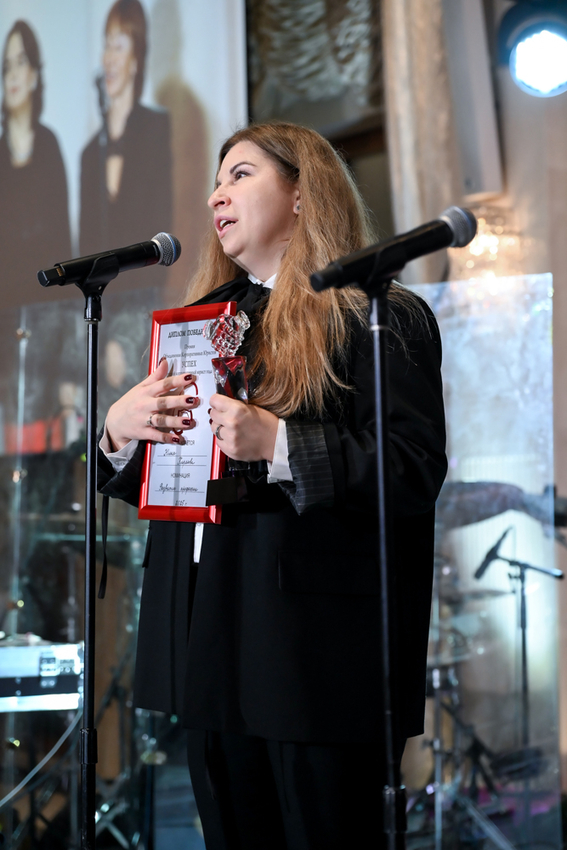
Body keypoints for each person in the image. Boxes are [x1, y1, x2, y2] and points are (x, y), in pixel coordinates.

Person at [98, 122, 447, 848]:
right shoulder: (202, 323)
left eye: (240, 175)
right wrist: (120, 434)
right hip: (208, 638)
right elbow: (180, 473)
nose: (215, 196)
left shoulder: (377, 314)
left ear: (301, 194)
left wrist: (280, 444)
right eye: (216, 181)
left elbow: (411, 467)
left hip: (316, 656)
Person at [79, 0, 171, 287]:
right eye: (106, 46)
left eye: (118, 46)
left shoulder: (159, 128)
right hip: (100, 300)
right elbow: (85, 245)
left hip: (148, 295)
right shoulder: (90, 153)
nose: (109, 58)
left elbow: (166, 220)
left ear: (136, 58)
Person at [0, 19, 71, 308]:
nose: (13, 75)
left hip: (47, 305)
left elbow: (62, 240)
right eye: (7, 67)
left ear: (34, 75)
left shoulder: (49, 146)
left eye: (21, 62)